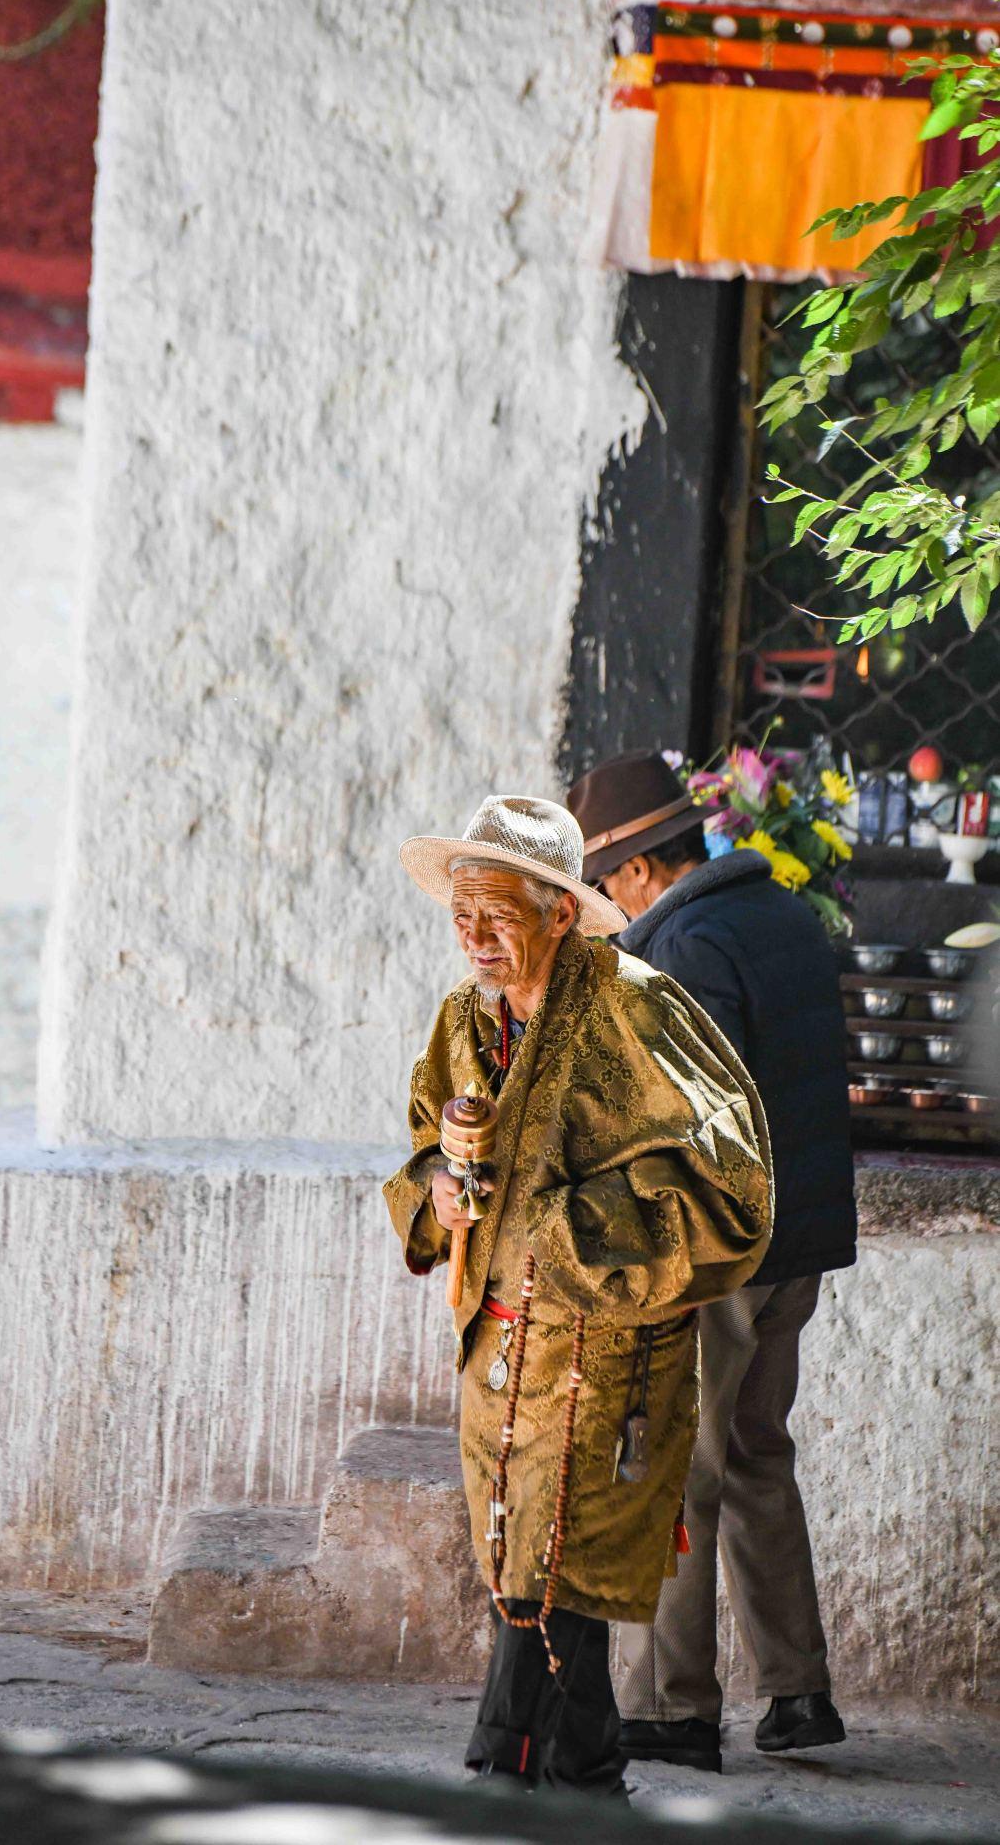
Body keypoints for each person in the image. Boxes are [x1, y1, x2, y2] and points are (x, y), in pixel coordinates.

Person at [384, 794, 774, 1797]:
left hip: (604, 1362)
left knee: (554, 1576)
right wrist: (442, 1182)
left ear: (562, 910)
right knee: (526, 1573)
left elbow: (734, 1183)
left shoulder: (636, 1007)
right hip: (497, 1358)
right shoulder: (464, 1021)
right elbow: (427, 1152)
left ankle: (510, 1765)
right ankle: (574, 1772)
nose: (472, 936)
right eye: (459, 911)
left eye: (497, 909)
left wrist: (558, 1227)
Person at [568, 751, 857, 1772]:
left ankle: (669, 1707)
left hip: (720, 1254)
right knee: (756, 1459)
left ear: (642, 869)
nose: (603, 907)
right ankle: (798, 1691)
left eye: (603, 887)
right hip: (800, 1244)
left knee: (669, 1468)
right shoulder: (780, 913)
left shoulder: (681, 945)